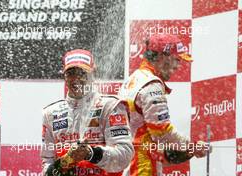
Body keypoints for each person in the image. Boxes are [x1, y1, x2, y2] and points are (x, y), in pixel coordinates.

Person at [118, 34, 212, 176]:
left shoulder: (135, 78)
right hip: (143, 167)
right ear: (163, 57)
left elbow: (151, 139)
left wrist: (188, 150)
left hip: (129, 162)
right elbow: (162, 133)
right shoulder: (151, 85)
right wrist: (192, 146)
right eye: (176, 59)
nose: (178, 66)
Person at [41, 49, 134, 176]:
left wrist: (91, 153)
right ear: (64, 76)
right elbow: (47, 165)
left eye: (82, 73)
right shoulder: (51, 113)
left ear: (93, 74)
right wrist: (64, 163)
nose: (76, 79)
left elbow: (124, 156)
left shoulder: (110, 106)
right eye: (71, 73)